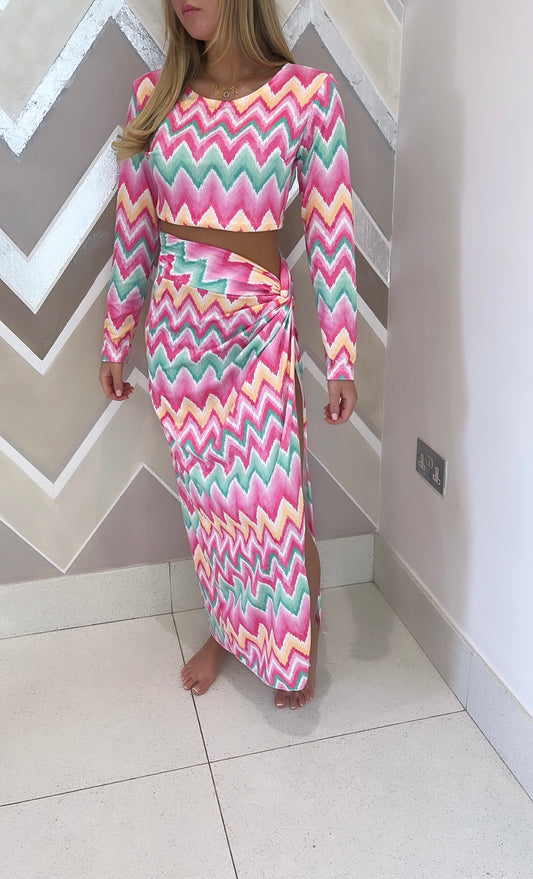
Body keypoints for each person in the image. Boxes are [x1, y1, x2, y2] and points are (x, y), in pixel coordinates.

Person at [99, 0, 358, 710]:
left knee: (276, 502)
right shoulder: (154, 99)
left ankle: (296, 634)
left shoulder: (306, 96)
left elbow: (332, 235)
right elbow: (136, 233)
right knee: (213, 512)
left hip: (257, 336)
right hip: (179, 341)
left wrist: (341, 357)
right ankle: (226, 631)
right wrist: (117, 336)